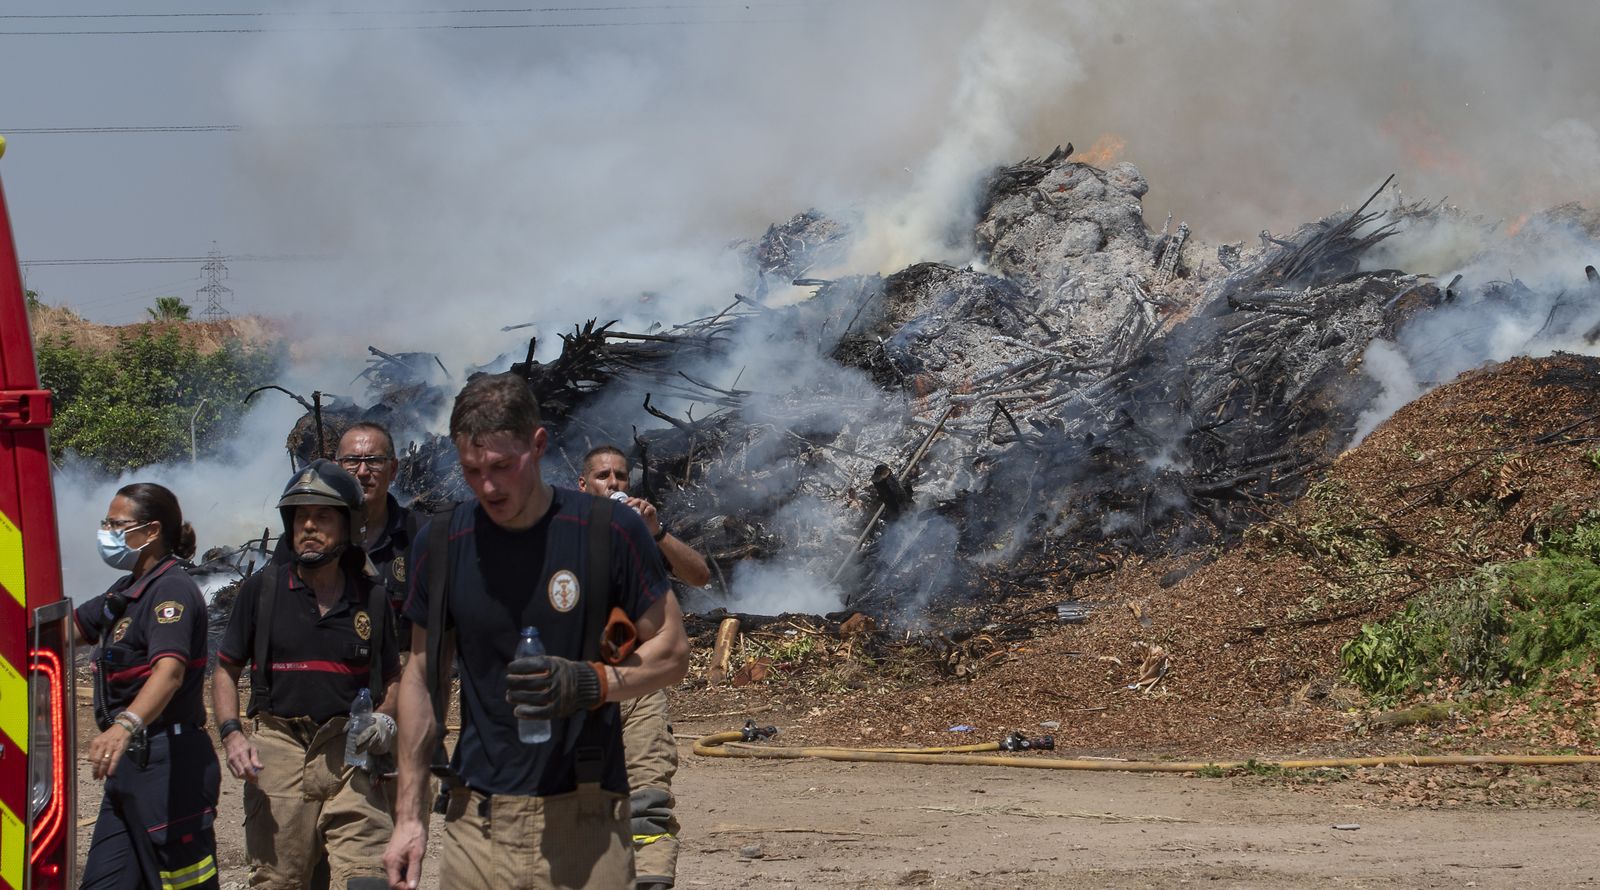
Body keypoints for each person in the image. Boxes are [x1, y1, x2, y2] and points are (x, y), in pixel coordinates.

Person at [383, 373, 690, 890]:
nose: (487, 486)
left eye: (502, 466)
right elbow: (420, 673)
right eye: (472, 470)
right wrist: (409, 818)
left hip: (587, 819)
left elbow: (672, 650)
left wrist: (593, 682)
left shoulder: (608, 532)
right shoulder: (442, 543)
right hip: (477, 821)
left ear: (539, 445)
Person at [212, 460, 402, 888]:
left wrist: (384, 719)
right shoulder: (262, 591)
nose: (309, 526)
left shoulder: (372, 599)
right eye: (300, 517)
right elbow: (225, 669)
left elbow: (393, 678)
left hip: (349, 751)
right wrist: (232, 734)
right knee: (280, 881)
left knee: (369, 880)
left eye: (322, 516)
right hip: (278, 748)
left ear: (349, 525)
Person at [576, 445, 709, 890]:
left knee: (648, 800)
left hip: (639, 685)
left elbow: (699, 576)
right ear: (583, 484)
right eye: (603, 476)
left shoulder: (640, 538)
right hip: (580, 685)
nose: (613, 483)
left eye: (620, 476)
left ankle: (651, 879)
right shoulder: (562, 534)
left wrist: (657, 532)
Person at [77, 483, 220, 890]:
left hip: (168, 766)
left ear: (152, 530)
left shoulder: (171, 590)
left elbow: (169, 672)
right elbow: (63, 629)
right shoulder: (126, 591)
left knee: (183, 883)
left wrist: (124, 726)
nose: (106, 532)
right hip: (128, 769)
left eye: (115, 524)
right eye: (105, 523)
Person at [336, 422, 415, 637]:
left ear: (393, 469)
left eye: (374, 461)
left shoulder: (420, 535)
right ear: (337, 469)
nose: (362, 472)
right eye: (352, 461)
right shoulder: (310, 538)